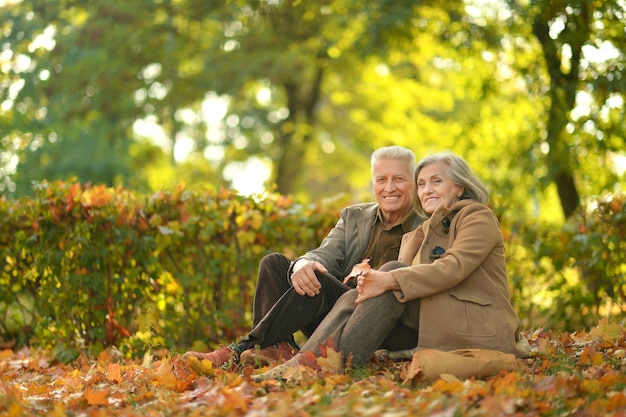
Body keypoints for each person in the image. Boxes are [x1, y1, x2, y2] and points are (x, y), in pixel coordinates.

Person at [253, 151, 530, 380]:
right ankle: (311, 361)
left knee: (391, 270)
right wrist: (375, 280)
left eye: (436, 181)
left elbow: (453, 267)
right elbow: (340, 260)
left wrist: (389, 279)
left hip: (468, 325)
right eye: (421, 184)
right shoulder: (425, 230)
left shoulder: (476, 216)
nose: (427, 189)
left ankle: (324, 364)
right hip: (426, 316)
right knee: (355, 290)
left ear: (459, 186)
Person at [183, 145, 422, 369]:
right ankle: (278, 347)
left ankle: (242, 349)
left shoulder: (426, 223)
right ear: (373, 183)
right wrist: (303, 263)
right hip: (335, 317)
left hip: (384, 323)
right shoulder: (355, 217)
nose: (389, 187)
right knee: (275, 264)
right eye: (381, 179)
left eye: (398, 179)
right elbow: (325, 253)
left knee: (319, 283)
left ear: (413, 182)